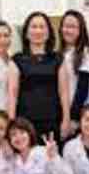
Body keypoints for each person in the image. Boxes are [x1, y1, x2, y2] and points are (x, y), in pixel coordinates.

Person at [9, 11, 71, 143]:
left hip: (53, 119)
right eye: (34, 27)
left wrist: (66, 119)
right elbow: (12, 94)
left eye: (42, 27)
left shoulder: (58, 58)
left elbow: (64, 92)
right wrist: (11, 123)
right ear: (26, 33)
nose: (38, 31)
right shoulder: (17, 59)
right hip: (25, 121)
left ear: (48, 32)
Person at [58, 10, 89, 133]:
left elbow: (83, 88)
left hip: (74, 113)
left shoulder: (84, 52)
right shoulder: (60, 53)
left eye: (72, 27)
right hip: (59, 111)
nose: (68, 30)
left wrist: (72, 117)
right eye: (65, 26)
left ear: (80, 30)